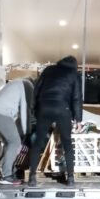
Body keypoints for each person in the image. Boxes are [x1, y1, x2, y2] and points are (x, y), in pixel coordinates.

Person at [28, 56, 82, 187]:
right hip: (62, 108)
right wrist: (78, 119)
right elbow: (77, 97)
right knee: (67, 143)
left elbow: (37, 89)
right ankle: (70, 178)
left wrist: (34, 108)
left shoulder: (49, 70)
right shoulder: (74, 74)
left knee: (38, 142)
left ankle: (32, 177)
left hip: (44, 107)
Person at [0, 78, 34, 185]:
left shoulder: (20, 82)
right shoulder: (28, 86)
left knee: (10, 142)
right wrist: (26, 134)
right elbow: (25, 112)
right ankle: (6, 175)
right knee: (14, 142)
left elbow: (17, 113)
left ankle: (8, 171)